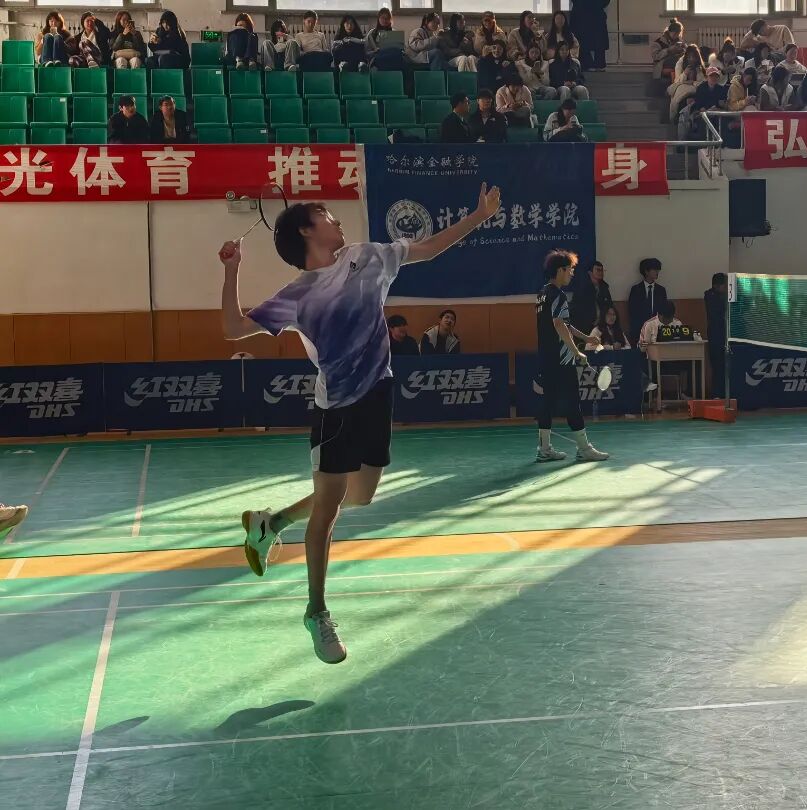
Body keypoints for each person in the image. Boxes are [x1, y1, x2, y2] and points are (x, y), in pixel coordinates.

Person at [220, 184, 502, 664]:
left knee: (362, 495)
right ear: (307, 230)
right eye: (328, 216)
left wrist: (479, 216)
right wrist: (232, 270)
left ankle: (272, 523)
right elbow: (232, 328)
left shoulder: (369, 257)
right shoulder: (297, 296)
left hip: (378, 395)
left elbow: (430, 248)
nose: (338, 221)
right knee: (329, 510)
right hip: (336, 410)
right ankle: (317, 612)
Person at [534, 250, 608, 464]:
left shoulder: (542, 294)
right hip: (561, 359)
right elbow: (559, 324)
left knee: (547, 402)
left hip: (546, 357)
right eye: (570, 270)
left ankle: (544, 449)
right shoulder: (558, 295)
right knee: (572, 402)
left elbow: (563, 324)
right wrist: (576, 352)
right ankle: (584, 449)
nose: (572, 274)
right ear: (560, 270)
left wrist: (586, 337)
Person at [628, 258, 668, 348]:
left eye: (658, 270)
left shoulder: (661, 290)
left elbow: (664, 310)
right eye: (655, 269)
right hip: (639, 329)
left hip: (657, 329)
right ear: (646, 271)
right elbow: (632, 311)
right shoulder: (635, 290)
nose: (657, 272)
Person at [681, 65, 727, 139]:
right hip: (703, 114)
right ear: (707, 77)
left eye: (716, 76)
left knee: (724, 123)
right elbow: (699, 105)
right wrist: (707, 111)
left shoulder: (721, 89)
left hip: (717, 114)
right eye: (711, 76)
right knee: (703, 123)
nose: (714, 78)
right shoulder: (701, 88)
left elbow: (722, 104)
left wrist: (718, 109)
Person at [569, 260, 613, 334]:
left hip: (600, 326)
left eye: (602, 270)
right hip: (583, 325)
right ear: (590, 272)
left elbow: (609, 304)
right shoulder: (582, 287)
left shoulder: (604, 287)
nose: (601, 272)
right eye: (598, 270)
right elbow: (577, 308)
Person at [703, 272, 728, 398]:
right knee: (717, 366)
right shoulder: (710, 295)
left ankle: (726, 392)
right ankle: (717, 394)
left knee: (725, 366)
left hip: (726, 335)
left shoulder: (724, 295)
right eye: (725, 285)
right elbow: (717, 313)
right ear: (717, 285)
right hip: (716, 336)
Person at [667, 44, 706, 121]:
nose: (691, 59)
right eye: (689, 57)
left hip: (694, 89)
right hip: (682, 87)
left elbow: (702, 82)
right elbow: (677, 81)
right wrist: (685, 73)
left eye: (693, 57)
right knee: (681, 98)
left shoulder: (698, 66)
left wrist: (693, 82)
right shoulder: (680, 64)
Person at [572, 0, 610, 72]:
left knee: (598, 41)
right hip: (582, 15)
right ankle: (589, 64)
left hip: (593, 15)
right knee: (583, 41)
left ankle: (597, 64)